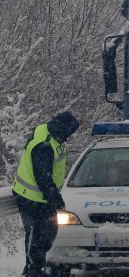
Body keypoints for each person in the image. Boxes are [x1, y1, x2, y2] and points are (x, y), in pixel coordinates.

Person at [12, 112, 80, 277]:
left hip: (42, 196)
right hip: (30, 196)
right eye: (69, 133)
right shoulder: (45, 145)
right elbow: (43, 177)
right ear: (62, 129)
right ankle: (32, 270)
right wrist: (55, 198)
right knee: (36, 233)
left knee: (47, 231)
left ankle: (35, 267)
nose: (69, 137)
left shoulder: (47, 131)